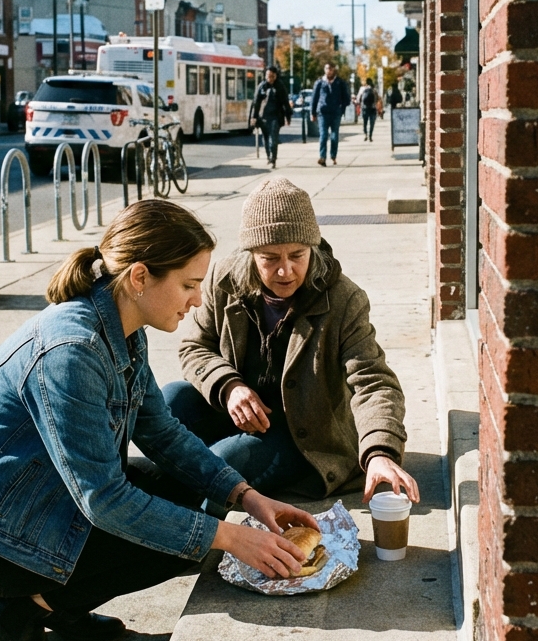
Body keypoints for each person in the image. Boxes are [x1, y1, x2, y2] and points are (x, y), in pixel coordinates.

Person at [0, 199, 318, 641]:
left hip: (37, 496)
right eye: (189, 285)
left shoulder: (123, 326)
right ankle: (15, 613)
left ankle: (59, 605)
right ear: (139, 277)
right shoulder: (72, 351)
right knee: (186, 540)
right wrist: (232, 538)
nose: (198, 300)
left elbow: (163, 431)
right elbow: (105, 500)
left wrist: (247, 498)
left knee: (190, 500)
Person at [166, 177, 420, 506]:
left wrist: (380, 453)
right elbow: (194, 348)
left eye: (297, 255)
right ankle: (155, 500)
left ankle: (195, 543)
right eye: (270, 258)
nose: (285, 270)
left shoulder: (344, 300)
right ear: (251, 254)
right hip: (239, 413)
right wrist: (229, 386)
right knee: (171, 402)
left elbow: (373, 382)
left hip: (301, 438)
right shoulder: (223, 281)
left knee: (223, 463)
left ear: (312, 247)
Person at [249, 66, 292, 168]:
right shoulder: (262, 87)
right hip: (263, 117)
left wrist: (288, 116)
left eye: (272, 76)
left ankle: (273, 158)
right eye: (268, 76)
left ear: (276, 76)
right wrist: (253, 117)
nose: (270, 78)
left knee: (273, 137)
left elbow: (285, 103)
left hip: (276, 116)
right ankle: (269, 156)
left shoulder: (280, 87)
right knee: (265, 138)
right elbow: (256, 103)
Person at [309, 61, 350, 167]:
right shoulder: (319, 82)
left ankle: (333, 155)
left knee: (334, 135)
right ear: (324, 70)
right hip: (322, 112)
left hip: (336, 112)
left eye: (331, 69)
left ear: (334, 70)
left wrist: (341, 108)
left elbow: (346, 98)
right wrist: (312, 112)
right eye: (327, 69)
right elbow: (314, 98)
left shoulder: (340, 82)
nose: (329, 71)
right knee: (323, 135)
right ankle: (322, 157)